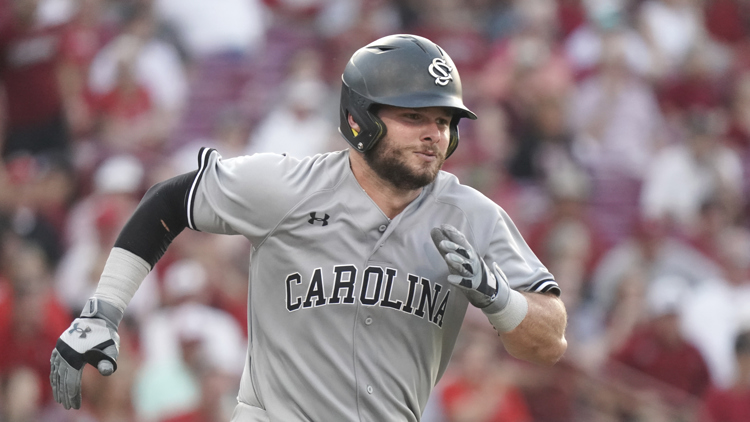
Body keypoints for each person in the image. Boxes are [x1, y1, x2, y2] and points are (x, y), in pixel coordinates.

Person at [49, 34, 567, 421]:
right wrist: (104, 310)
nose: (435, 134)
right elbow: (170, 200)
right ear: (361, 118)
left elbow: (548, 340)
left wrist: (501, 298)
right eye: (416, 117)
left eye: (445, 121)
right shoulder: (287, 185)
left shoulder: (473, 216)